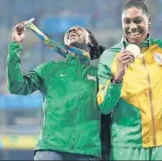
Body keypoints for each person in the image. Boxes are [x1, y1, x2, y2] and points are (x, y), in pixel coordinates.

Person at [7, 22, 107, 160]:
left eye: (78, 29)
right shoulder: (49, 69)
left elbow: (109, 108)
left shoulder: (100, 74)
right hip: (51, 149)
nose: (72, 30)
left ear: (90, 41)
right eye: (69, 31)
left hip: (87, 152)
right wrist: (15, 46)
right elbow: (16, 86)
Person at [97, 0, 162, 160]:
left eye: (138, 20)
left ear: (148, 20)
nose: (132, 26)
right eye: (127, 22)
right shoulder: (109, 57)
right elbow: (104, 107)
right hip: (126, 147)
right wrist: (117, 77)